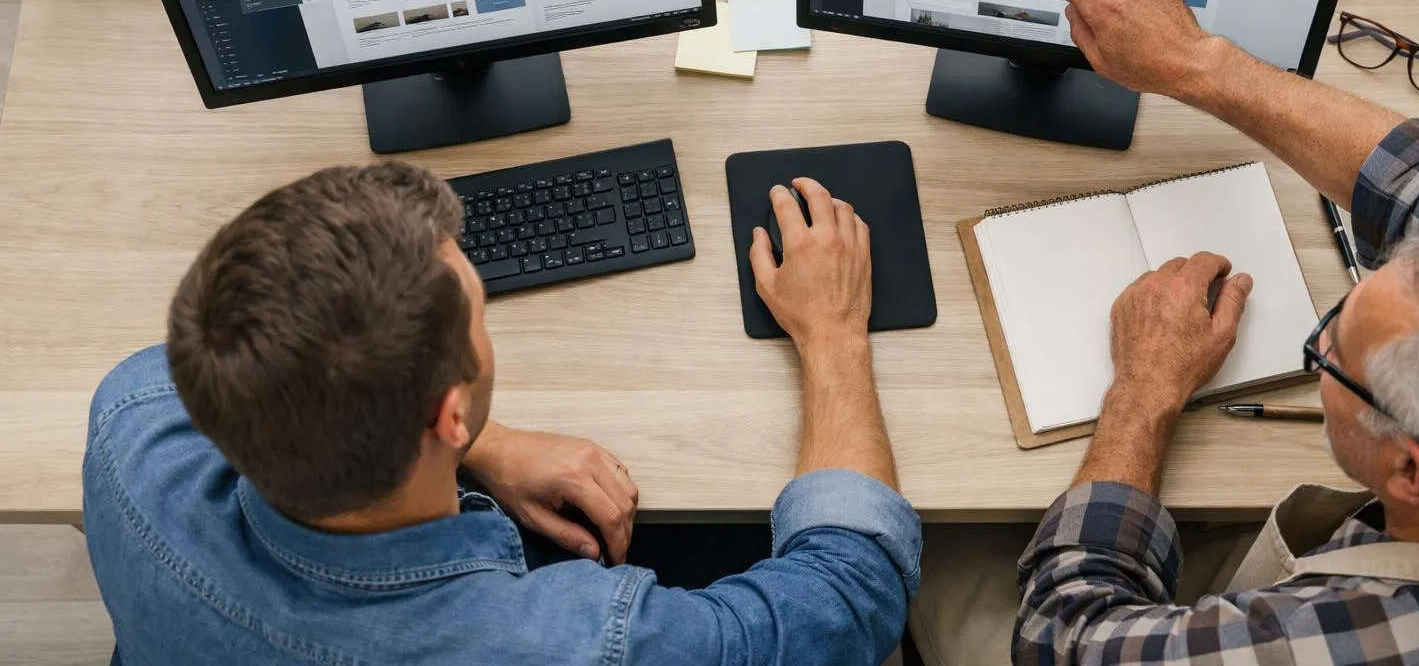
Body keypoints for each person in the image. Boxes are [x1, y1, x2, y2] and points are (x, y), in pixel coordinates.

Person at [911, 0, 1419, 666]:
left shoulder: (1354, 644)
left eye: (1328, 345)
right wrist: (1193, 60)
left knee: (940, 559)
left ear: (1411, 474)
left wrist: (1144, 391)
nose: (1324, 338)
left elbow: (1064, 638)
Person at [83, 167, 919, 665]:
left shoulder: (131, 426)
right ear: (446, 412)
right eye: (483, 311)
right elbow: (852, 600)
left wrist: (485, 445)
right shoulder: (567, 643)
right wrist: (834, 331)